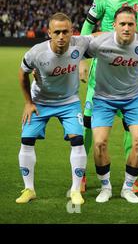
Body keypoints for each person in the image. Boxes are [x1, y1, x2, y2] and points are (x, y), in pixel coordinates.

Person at [79, 0, 138, 193]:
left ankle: (129, 181)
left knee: (130, 124)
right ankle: (80, 173)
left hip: (129, 64)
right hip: (102, 67)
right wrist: (83, 59)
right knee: (90, 123)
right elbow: (86, 25)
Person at [86, 6, 138, 204]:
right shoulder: (99, 43)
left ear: (136, 27)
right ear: (114, 25)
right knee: (99, 143)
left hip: (133, 99)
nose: (126, 28)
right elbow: (72, 51)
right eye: (122, 24)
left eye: (130, 24)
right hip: (103, 99)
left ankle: (127, 187)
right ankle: (105, 187)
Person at [16, 13, 91, 205]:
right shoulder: (36, 52)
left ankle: (75, 190)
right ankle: (29, 189)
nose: (61, 36)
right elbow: (22, 74)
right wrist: (28, 102)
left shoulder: (79, 44)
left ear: (72, 32)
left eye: (65, 32)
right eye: (56, 32)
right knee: (26, 140)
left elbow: (99, 36)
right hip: (41, 101)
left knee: (78, 139)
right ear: (49, 33)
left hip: (69, 101)